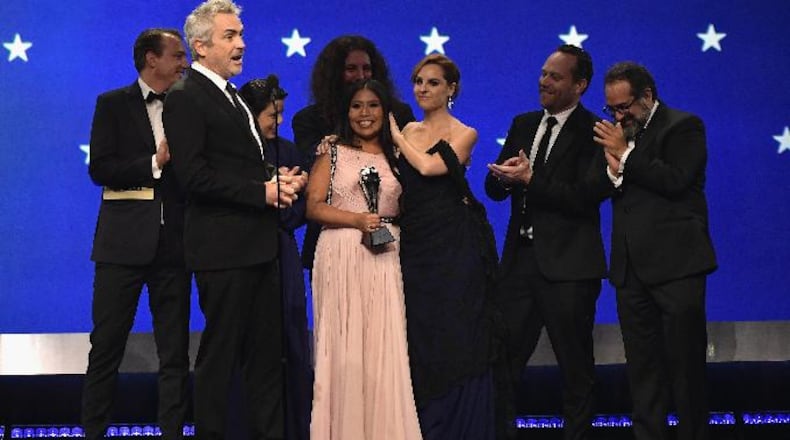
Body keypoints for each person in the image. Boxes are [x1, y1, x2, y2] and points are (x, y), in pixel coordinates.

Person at [162, 1, 307, 438]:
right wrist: (260, 192)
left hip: (260, 248)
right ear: (201, 46)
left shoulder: (233, 96)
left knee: (266, 361)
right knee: (220, 361)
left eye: (240, 34)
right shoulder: (186, 97)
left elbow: (234, 165)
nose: (241, 43)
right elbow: (193, 176)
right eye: (230, 35)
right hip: (223, 253)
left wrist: (274, 178)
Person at [484, 44, 610, 440]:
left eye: (555, 76)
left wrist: (531, 181)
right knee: (502, 366)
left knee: (576, 371)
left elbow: (584, 195)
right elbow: (494, 189)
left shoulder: (594, 133)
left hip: (570, 269)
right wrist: (503, 177)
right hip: (520, 265)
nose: (544, 81)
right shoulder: (523, 123)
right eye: (543, 74)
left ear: (580, 84)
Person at [592, 61, 717, 440]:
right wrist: (613, 170)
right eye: (611, 108)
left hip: (677, 268)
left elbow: (676, 180)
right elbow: (617, 190)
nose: (617, 115)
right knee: (643, 374)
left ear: (647, 96)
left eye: (624, 106)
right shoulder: (621, 135)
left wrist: (626, 156)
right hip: (631, 272)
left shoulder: (684, 127)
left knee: (685, 372)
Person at [82, 28, 190, 440]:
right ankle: (93, 433)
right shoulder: (112, 104)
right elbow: (101, 169)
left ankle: (173, 434)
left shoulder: (190, 105)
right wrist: (154, 162)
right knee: (106, 348)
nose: (184, 62)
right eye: (177, 55)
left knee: (175, 354)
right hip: (121, 246)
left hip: (175, 245)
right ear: (151, 59)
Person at [305, 79, 422, 440]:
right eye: (357, 106)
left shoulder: (399, 157)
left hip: (385, 254)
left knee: (384, 346)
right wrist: (356, 220)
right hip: (340, 253)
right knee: (343, 348)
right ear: (346, 111)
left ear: (385, 111)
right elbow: (313, 207)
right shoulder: (332, 151)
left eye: (372, 105)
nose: (364, 113)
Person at [389, 54, 498, 440]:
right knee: (421, 332)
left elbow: (431, 168)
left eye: (433, 82)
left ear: (451, 88)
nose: (423, 89)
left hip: (454, 245)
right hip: (415, 245)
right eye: (418, 81)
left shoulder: (464, 132)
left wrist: (398, 138)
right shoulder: (408, 127)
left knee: (457, 330)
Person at [292, 34, 415, 272]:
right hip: (334, 247)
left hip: (396, 246)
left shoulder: (398, 116)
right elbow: (312, 185)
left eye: (367, 68)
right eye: (351, 69)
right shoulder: (309, 121)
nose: (360, 76)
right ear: (334, 74)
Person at [239, 75, 311, 440]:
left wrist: (290, 194)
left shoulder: (289, 150)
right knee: (253, 347)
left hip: (283, 254)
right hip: (245, 257)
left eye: (281, 113)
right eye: (271, 114)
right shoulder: (235, 152)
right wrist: (269, 192)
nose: (278, 122)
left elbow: (299, 213)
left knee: (292, 343)